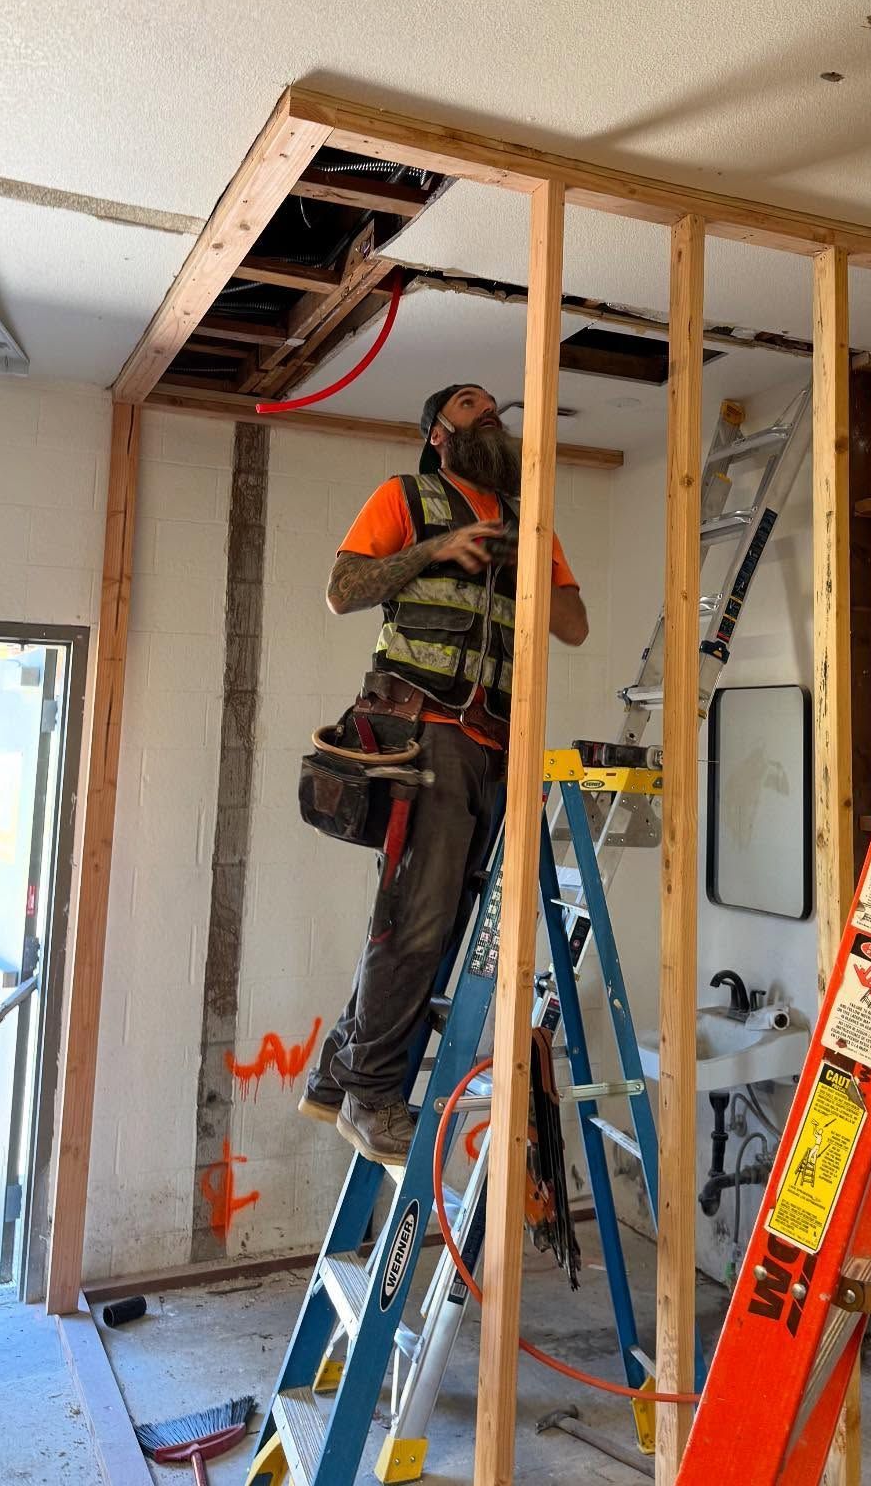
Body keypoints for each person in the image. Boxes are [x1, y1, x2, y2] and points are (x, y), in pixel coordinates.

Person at [301, 383, 589, 1163]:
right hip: (422, 731)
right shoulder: (408, 497)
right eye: (469, 404)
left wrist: (530, 555)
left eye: (493, 404)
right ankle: (369, 1094)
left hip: (494, 741)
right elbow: (341, 591)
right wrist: (434, 551)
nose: (488, 411)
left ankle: (337, 1073)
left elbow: (573, 625)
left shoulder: (527, 521)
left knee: (443, 922)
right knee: (418, 919)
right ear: (437, 434)